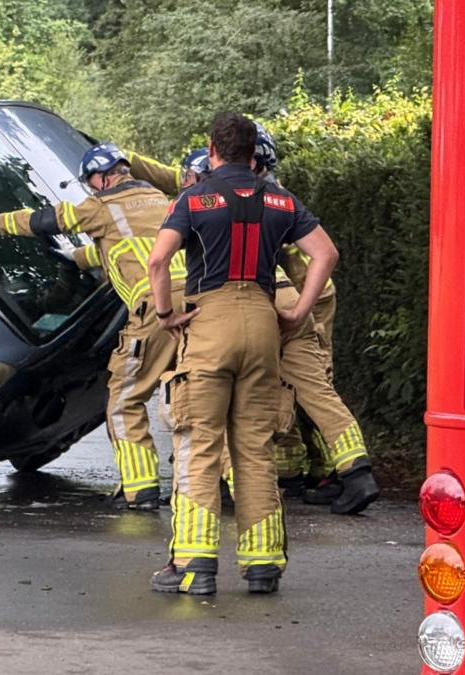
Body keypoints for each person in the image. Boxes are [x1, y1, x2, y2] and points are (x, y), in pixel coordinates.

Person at [146, 112, 339, 595]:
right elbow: (326, 254)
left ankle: (193, 564)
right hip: (263, 320)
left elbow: (157, 260)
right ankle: (263, 565)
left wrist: (168, 314)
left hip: (209, 322)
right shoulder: (279, 198)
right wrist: (298, 313)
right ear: (254, 155)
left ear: (212, 150)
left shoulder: (196, 196)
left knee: (200, 443)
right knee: (255, 448)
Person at [0, 142, 185, 511]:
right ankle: (223, 481)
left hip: (157, 311)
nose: (90, 189)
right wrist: (74, 256)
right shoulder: (155, 198)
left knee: (123, 399)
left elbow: (45, 220)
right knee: (204, 396)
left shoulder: (102, 206)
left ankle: (140, 490)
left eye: (90, 182)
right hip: (199, 307)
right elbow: (129, 245)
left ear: (102, 178)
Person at [251, 122, 381, 514]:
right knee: (315, 387)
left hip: (296, 296)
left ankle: (328, 471)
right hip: (308, 294)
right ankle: (349, 471)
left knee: (306, 386)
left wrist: (297, 311)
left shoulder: (262, 197)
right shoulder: (278, 195)